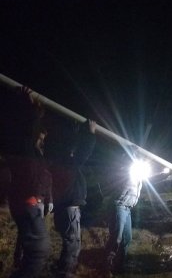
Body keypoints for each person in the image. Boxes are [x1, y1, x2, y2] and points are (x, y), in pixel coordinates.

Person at [3, 87, 52, 278]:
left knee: (34, 251)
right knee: (38, 251)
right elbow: (27, 127)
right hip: (27, 202)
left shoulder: (30, 149)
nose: (42, 137)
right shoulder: (22, 143)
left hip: (29, 202)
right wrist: (29, 106)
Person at [104, 166, 172, 273]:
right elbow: (118, 173)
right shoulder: (127, 173)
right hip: (118, 207)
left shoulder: (138, 178)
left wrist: (164, 173)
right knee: (117, 238)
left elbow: (151, 179)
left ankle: (120, 265)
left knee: (127, 238)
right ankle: (107, 265)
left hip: (127, 209)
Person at [51, 119, 97, 278]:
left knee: (70, 243)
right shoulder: (65, 162)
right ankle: (65, 273)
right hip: (68, 209)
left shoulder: (58, 159)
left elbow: (76, 150)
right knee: (72, 244)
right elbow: (83, 153)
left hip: (65, 208)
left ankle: (64, 271)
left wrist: (77, 133)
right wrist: (90, 134)